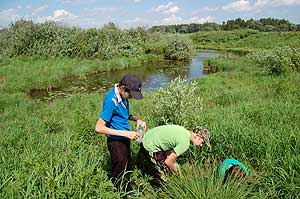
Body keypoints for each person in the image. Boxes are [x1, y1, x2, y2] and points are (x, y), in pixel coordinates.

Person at [95, 74, 146, 190]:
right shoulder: (111, 100)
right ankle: (121, 191)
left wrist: (137, 120)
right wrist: (126, 133)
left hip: (125, 136)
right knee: (119, 166)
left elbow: (125, 114)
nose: (131, 98)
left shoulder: (123, 96)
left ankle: (127, 185)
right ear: (122, 88)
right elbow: (98, 128)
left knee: (127, 163)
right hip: (115, 141)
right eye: (131, 94)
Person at [137, 125, 211, 185]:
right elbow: (168, 161)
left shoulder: (183, 130)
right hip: (149, 145)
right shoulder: (185, 143)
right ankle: (162, 190)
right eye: (203, 142)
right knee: (165, 176)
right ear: (198, 136)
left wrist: (173, 163)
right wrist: (178, 174)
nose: (201, 145)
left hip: (148, 136)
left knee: (170, 165)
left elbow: (168, 146)